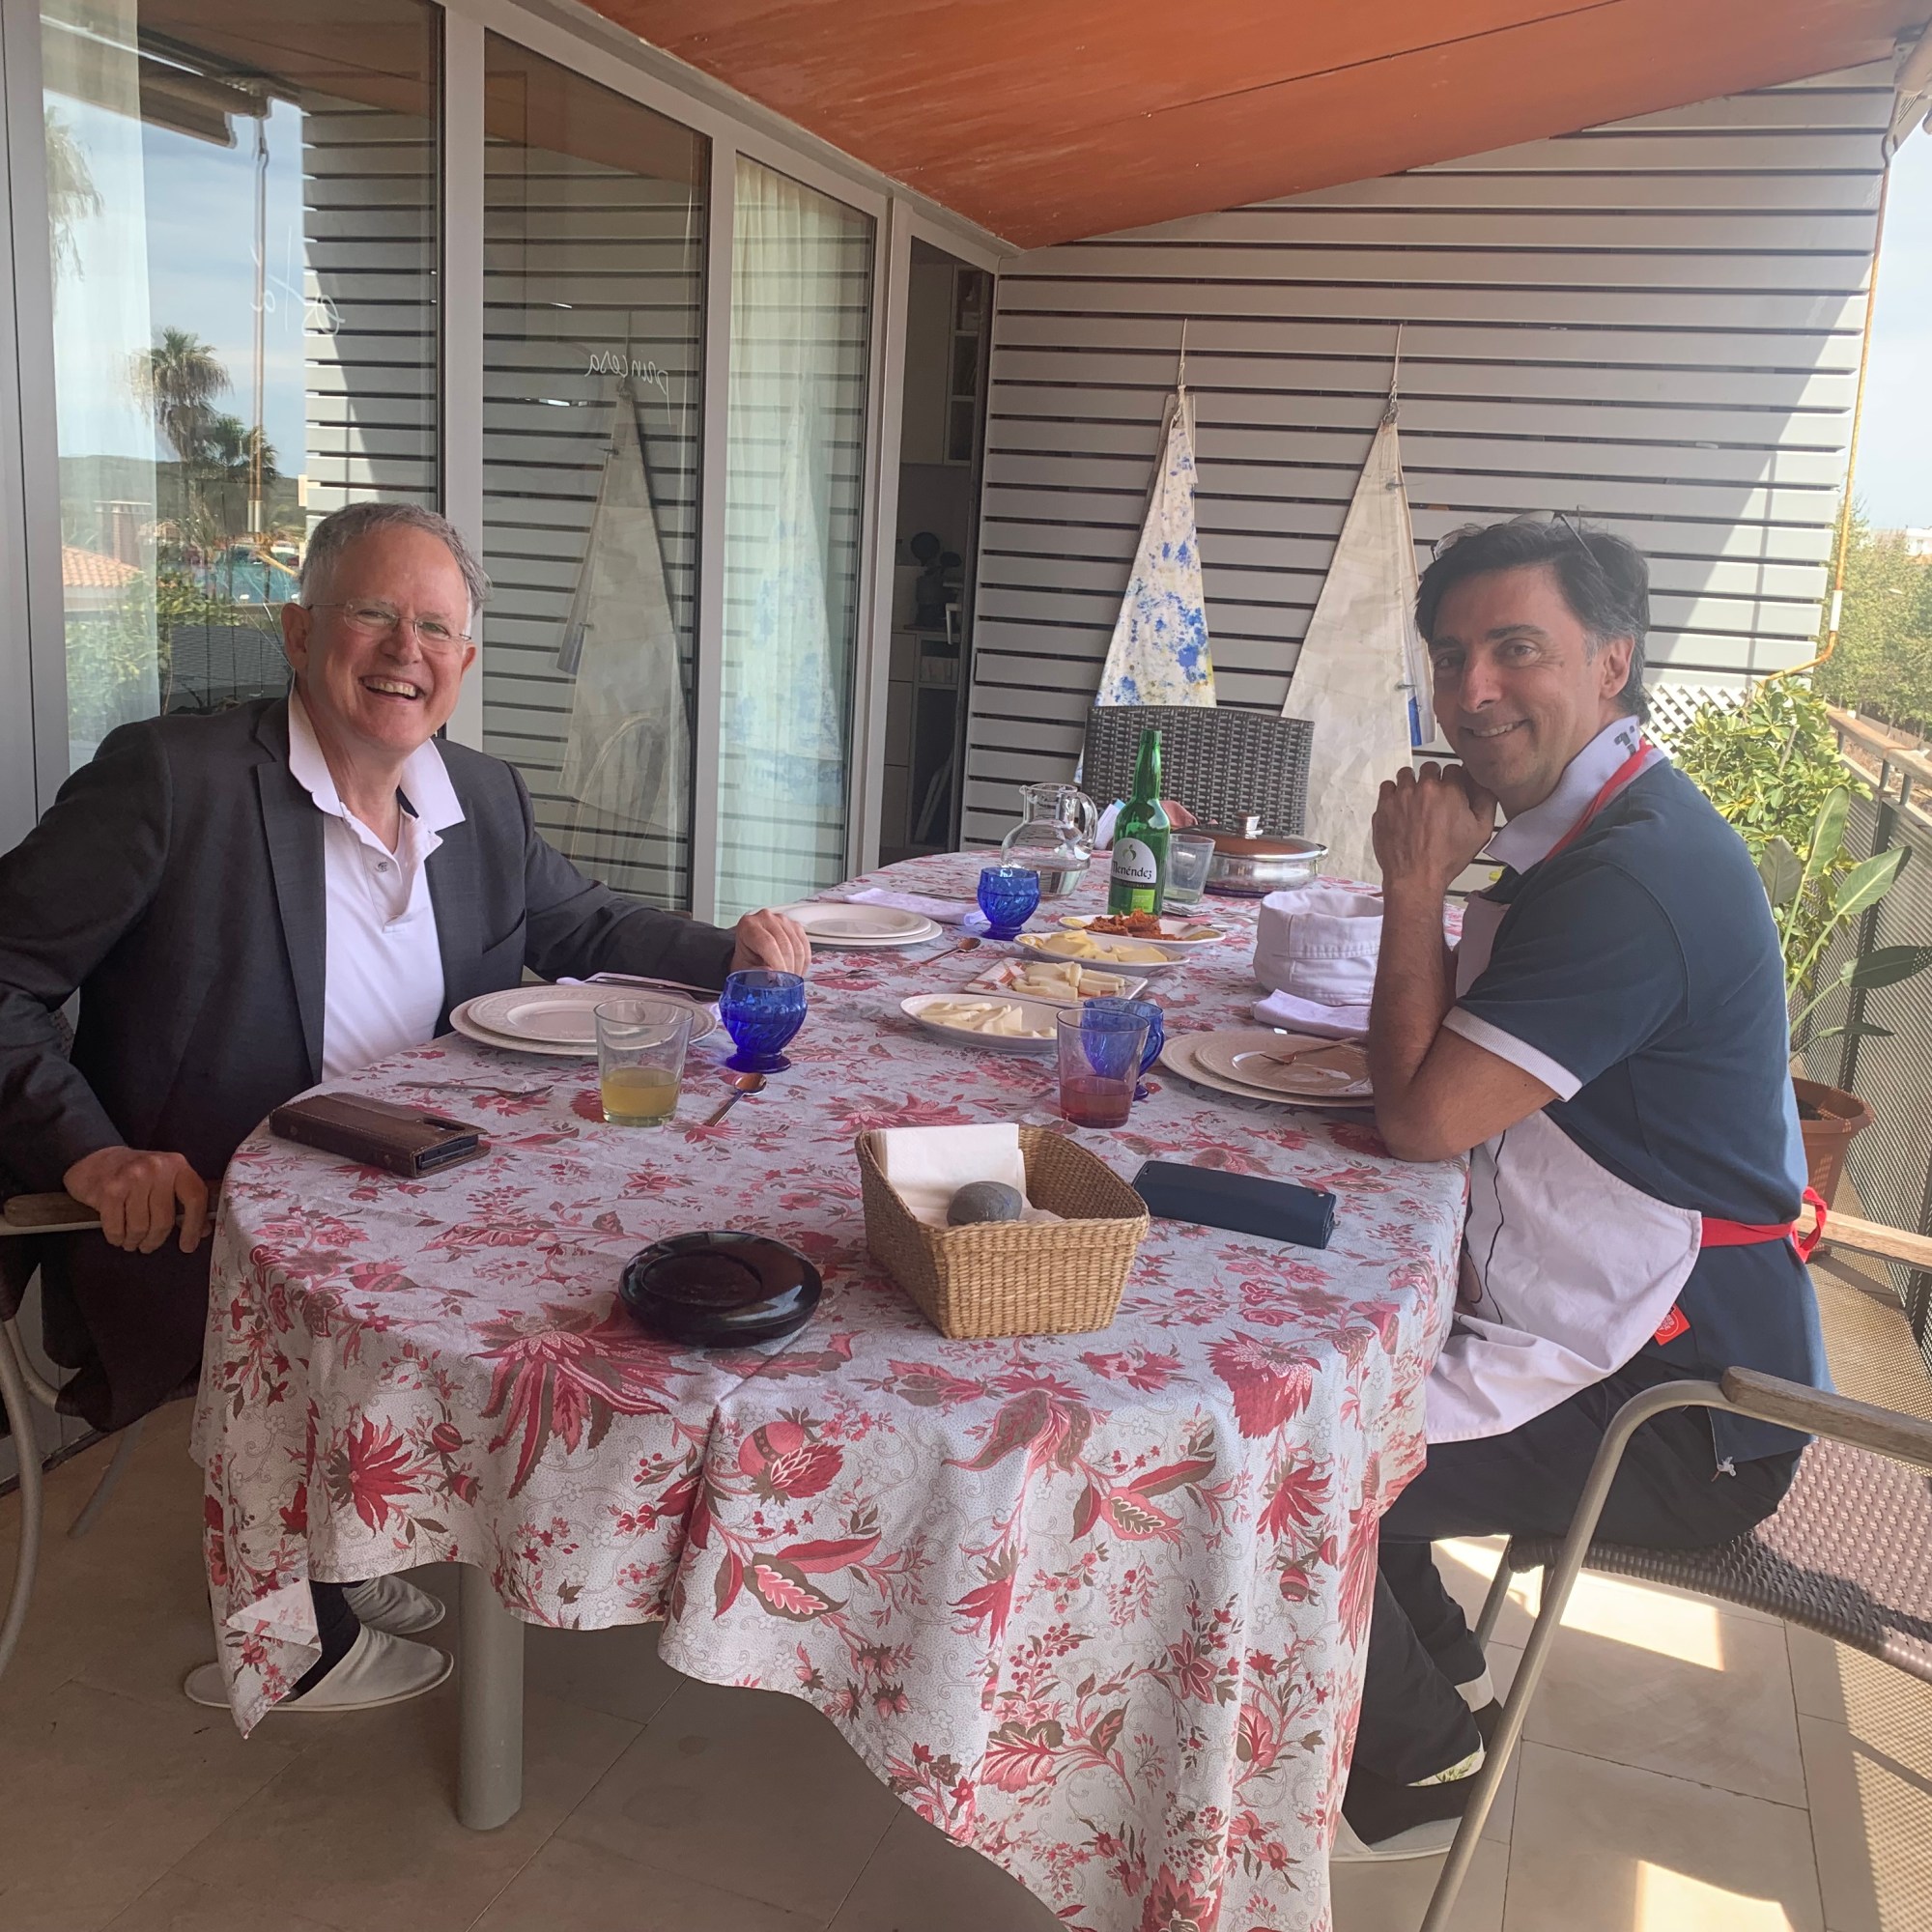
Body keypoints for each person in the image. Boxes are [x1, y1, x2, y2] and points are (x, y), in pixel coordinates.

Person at [0, 501, 810, 1713]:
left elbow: (579, 922)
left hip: (434, 1192)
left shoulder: (476, 792)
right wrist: (96, 1153)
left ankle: (370, 1527)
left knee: (657, 1276)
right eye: (372, 613)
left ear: (464, 661)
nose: (404, 650)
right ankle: (303, 1638)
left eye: (435, 627)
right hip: (211, 1217)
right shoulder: (173, 780)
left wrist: (730, 952)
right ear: (299, 631)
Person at [1341, 518, 1827, 1859]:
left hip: (1685, 1402)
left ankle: (1418, 1764)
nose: (1474, 689)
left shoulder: (1633, 878)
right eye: (1451, 655)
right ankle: (1437, 1669)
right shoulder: (1595, 823)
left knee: (1300, 1464)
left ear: (1613, 663)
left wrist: (1412, 883)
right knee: (1332, 1375)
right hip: (1608, 1324)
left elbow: (1422, 1120)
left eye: (1517, 649)